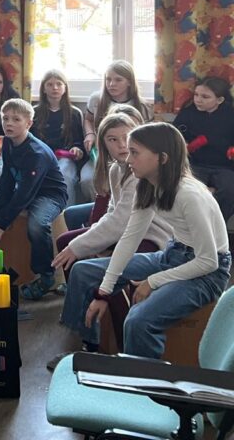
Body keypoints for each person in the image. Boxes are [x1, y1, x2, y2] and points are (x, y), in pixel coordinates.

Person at [60, 123, 231, 360]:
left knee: (138, 320)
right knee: (83, 271)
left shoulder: (189, 195)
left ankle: (143, 378)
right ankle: (89, 349)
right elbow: (129, 239)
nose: (128, 158)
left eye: (135, 152)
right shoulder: (147, 185)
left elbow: (208, 262)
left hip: (206, 274)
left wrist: (153, 281)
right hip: (173, 254)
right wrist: (103, 291)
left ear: (162, 158)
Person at [51, 113, 172, 276]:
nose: (122, 145)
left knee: (82, 255)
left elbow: (120, 221)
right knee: (65, 242)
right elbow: (112, 212)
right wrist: (91, 239)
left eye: (126, 137)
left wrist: (82, 246)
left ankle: (103, 290)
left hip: (151, 236)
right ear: (104, 144)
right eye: (112, 139)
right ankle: (81, 287)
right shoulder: (115, 169)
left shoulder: (139, 172)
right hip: (126, 231)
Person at [0, 98, 68, 300]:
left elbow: (25, 194)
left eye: (16, 119)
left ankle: (46, 275)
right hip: (25, 190)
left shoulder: (36, 153)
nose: (9, 123)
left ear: (28, 124)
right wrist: (1, 201)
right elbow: (8, 178)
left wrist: (2, 221)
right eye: (5, 118)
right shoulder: (8, 142)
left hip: (49, 195)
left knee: (37, 224)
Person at [79, 60, 152, 201]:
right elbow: (88, 119)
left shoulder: (141, 105)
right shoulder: (96, 99)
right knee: (87, 181)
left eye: (118, 80)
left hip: (129, 155)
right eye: (108, 79)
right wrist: (90, 134)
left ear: (129, 82)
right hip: (101, 153)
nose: (112, 84)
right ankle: (99, 207)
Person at [172, 76, 234, 222]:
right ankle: (195, 226)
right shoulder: (188, 113)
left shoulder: (230, 116)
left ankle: (218, 225)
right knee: (190, 191)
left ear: (219, 100)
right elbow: (174, 135)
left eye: (205, 97)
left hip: (223, 166)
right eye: (196, 95)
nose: (198, 100)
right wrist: (186, 145)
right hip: (195, 164)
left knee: (229, 190)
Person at [32, 69, 86, 207]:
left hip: (65, 158)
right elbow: (31, 140)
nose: (55, 88)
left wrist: (77, 149)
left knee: (64, 175)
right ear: (43, 89)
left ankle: (66, 215)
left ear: (65, 88)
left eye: (59, 84)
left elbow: (79, 141)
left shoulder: (74, 113)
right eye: (50, 84)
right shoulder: (34, 112)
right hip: (41, 158)